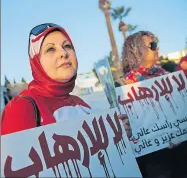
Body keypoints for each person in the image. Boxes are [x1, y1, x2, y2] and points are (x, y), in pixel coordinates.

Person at [1, 23, 131, 138]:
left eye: (67, 46)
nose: (63, 53)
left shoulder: (81, 105)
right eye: (50, 49)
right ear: (36, 62)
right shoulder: (21, 107)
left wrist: (117, 135)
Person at [115, 31, 187, 178]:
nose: (157, 48)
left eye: (156, 44)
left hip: (181, 155)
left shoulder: (168, 76)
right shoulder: (123, 86)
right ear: (136, 51)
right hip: (154, 162)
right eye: (152, 45)